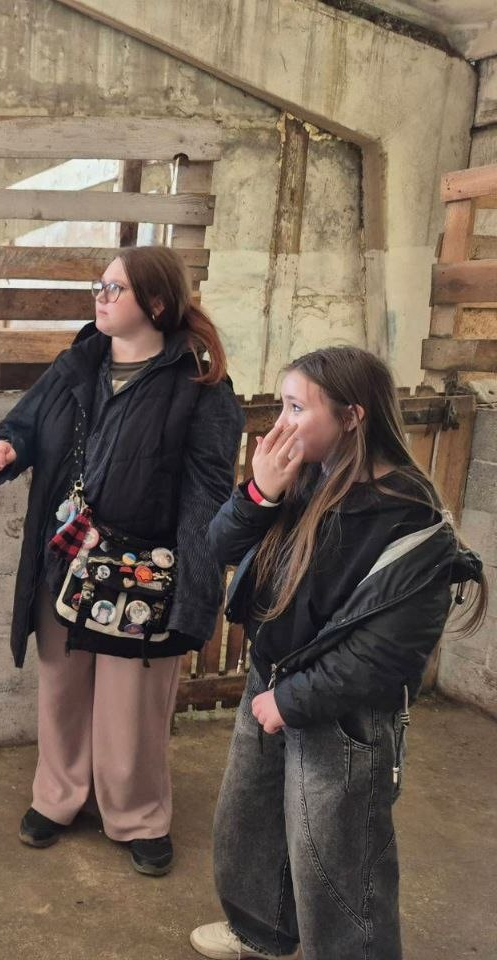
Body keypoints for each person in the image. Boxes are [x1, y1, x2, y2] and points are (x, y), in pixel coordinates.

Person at [189, 346, 486, 960]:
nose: (282, 424)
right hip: (269, 683)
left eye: (299, 407)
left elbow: (386, 655)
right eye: (284, 405)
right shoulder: (299, 477)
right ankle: (261, 931)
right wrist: (258, 493)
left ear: (353, 415)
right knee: (251, 826)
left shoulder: (414, 521)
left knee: (338, 864)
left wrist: (292, 700)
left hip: (341, 715)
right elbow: (216, 544)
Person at [0, 245, 243, 875]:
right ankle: (59, 797)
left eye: (114, 289)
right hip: (64, 557)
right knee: (62, 690)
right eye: (99, 285)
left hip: (141, 575)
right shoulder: (77, 364)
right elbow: (22, 424)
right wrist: (4, 450)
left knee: (133, 704)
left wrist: (194, 591)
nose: (100, 296)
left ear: (154, 303)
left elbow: (207, 494)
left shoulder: (199, 386)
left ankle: (138, 814)